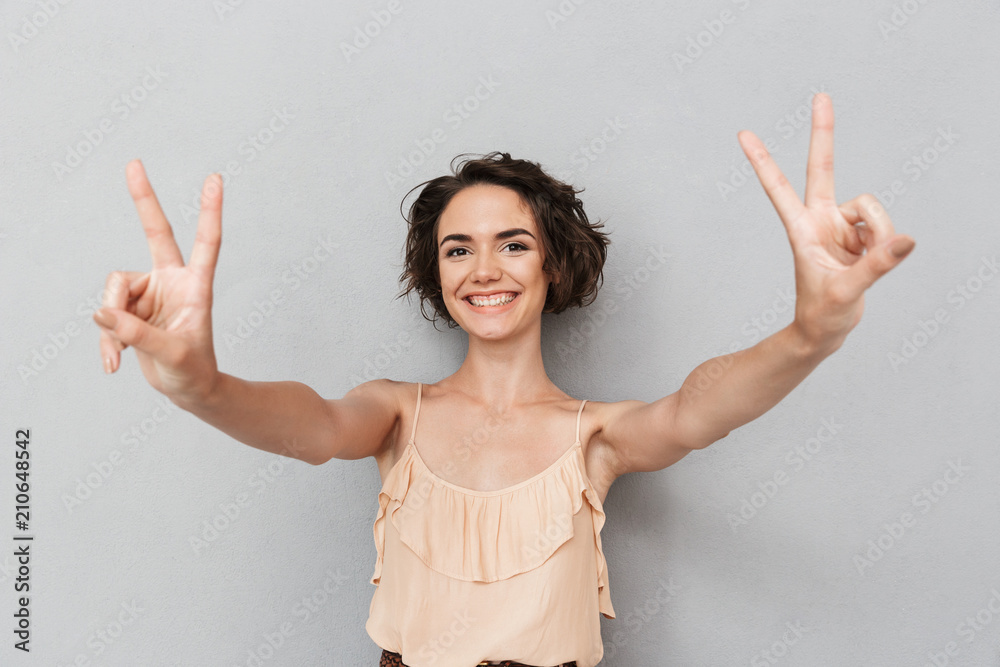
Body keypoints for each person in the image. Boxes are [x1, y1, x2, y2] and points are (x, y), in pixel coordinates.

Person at [93, 93, 915, 667]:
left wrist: (814, 331)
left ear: (554, 263)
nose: (485, 268)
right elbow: (303, 425)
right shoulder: (392, 414)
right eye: (459, 248)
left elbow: (695, 412)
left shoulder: (595, 434)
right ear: (436, 272)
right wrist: (196, 381)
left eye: (514, 243)